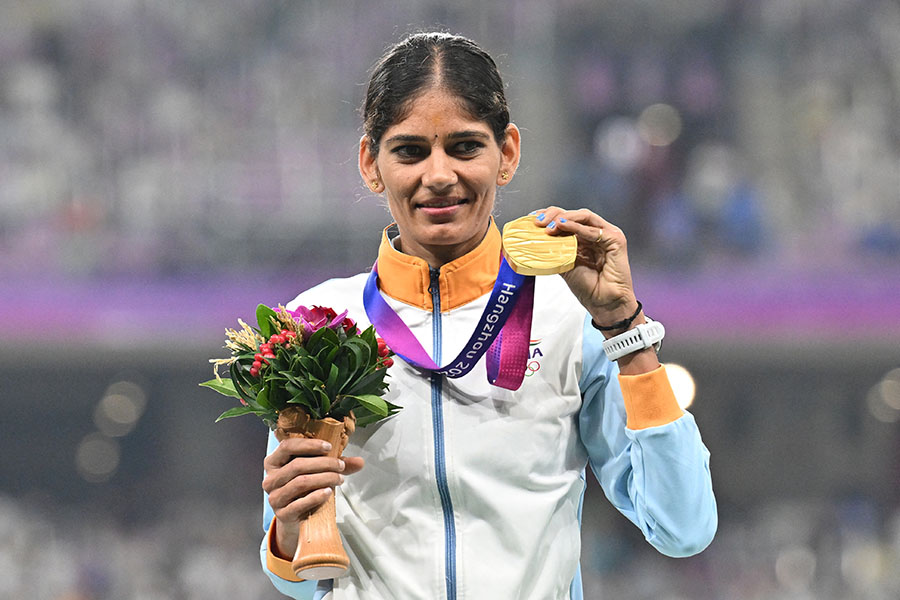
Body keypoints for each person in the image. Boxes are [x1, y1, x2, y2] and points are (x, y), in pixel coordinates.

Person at [260, 32, 716, 600]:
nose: (439, 174)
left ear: (508, 153)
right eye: (409, 151)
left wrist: (626, 327)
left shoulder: (570, 316)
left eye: (465, 146)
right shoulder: (319, 324)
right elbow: (301, 583)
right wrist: (287, 522)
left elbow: (683, 526)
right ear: (369, 163)